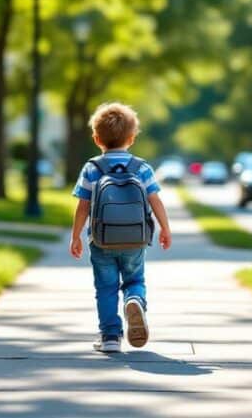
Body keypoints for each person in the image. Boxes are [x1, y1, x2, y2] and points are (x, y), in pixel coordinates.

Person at [70, 102, 172, 353]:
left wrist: (76, 237)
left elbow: (83, 206)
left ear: (96, 139)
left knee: (105, 288)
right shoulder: (142, 167)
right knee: (134, 278)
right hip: (135, 240)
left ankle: (110, 337)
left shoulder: (92, 168)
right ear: (131, 138)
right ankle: (134, 300)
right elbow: (155, 200)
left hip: (101, 241)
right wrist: (165, 229)